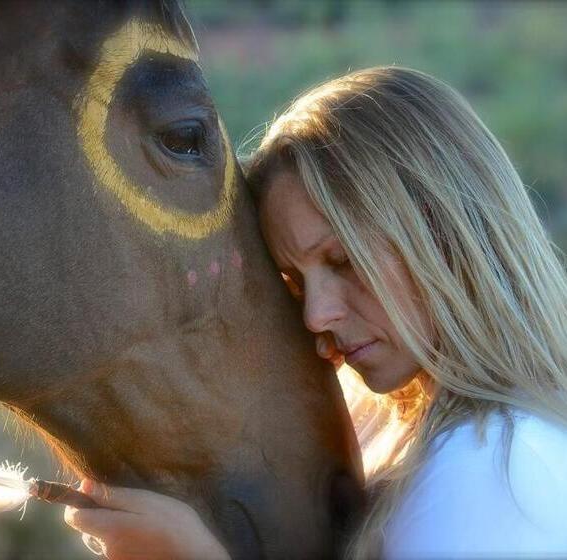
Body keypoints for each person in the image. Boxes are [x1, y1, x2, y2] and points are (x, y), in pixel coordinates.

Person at [63, 66, 567, 559]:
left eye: (342, 261)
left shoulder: (491, 464)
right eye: (296, 283)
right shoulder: (452, 443)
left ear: (441, 231)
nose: (316, 315)